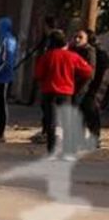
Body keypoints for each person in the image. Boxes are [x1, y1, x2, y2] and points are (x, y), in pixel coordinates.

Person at [34, 29, 93, 157]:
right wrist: (77, 83)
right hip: (66, 93)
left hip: (49, 93)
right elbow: (88, 72)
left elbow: (38, 74)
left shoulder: (47, 56)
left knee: (51, 123)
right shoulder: (72, 56)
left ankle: (52, 150)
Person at [70, 30, 106, 150]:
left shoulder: (92, 51)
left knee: (91, 112)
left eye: (80, 37)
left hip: (93, 87)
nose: (77, 39)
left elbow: (92, 72)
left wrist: (90, 89)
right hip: (83, 87)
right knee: (82, 112)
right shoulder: (77, 50)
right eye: (76, 36)